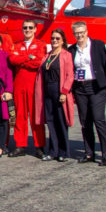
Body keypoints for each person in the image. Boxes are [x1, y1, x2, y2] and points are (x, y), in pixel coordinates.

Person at [68, 21, 106, 165]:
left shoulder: (98, 45)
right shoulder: (72, 49)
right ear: (74, 34)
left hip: (96, 87)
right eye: (77, 33)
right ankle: (89, 154)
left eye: (82, 32)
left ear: (87, 32)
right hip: (80, 88)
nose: (80, 35)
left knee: (99, 120)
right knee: (85, 122)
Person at [34, 29, 75, 162]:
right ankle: (53, 151)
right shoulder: (48, 55)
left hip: (59, 90)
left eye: (57, 38)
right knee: (51, 122)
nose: (54, 41)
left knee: (61, 122)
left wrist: (64, 91)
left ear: (63, 40)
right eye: (52, 38)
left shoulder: (66, 55)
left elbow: (70, 75)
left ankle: (63, 151)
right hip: (47, 91)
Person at [8, 19, 47, 158]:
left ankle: (40, 146)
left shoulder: (41, 44)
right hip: (19, 85)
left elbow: (39, 62)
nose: (28, 30)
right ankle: (20, 145)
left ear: (35, 29)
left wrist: (23, 59)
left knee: (37, 117)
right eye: (25, 28)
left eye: (30, 27)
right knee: (20, 117)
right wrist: (29, 57)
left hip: (34, 86)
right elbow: (12, 60)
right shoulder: (16, 45)